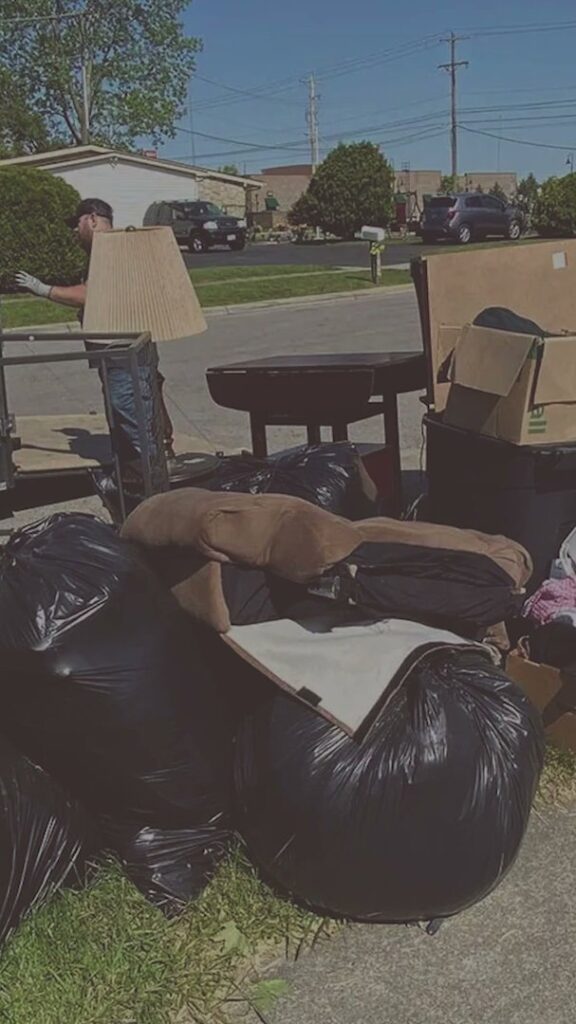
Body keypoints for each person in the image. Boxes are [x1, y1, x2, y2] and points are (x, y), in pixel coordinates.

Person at [15, 198, 173, 487]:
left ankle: (150, 486)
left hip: (122, 349)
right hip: (117, 348)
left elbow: (91, 294)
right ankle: (131, 478)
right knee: (126, 414)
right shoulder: (107, 250)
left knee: (132, 415)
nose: (74, 232)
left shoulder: (112, 250)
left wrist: (44, 289)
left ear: (92, 219)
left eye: (76, 224)